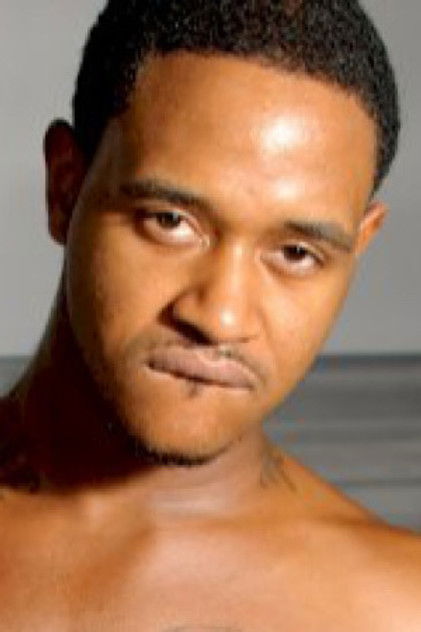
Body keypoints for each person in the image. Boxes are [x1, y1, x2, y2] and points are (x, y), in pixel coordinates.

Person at [0, 0, 420, 629]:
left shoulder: (395, 608)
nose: (221, 317)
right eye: (170, 221)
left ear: (359, 246)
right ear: (65, 188)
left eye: (296, 253)